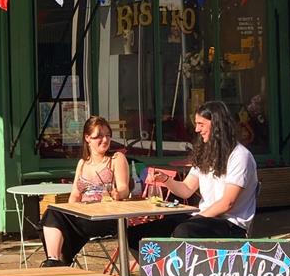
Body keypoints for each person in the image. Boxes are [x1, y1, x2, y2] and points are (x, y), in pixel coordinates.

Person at [128, 101, 259, 249]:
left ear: (216, 124)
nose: (197, 129)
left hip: (231, 224)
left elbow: (227, 203)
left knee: (183, 231)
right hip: (204, 218)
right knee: (137, 234)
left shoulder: (240, 156)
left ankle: (178, 269)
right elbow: (186, 189)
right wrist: (166, 179)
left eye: (201, 124)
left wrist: (195, 218)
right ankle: (156, 271)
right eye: (196, 124)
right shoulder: (206, 154)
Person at [39, 116, 131, 267]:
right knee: (53, 213)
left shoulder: (116, 158)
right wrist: (71, 209)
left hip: (105, 217)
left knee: (55, 219)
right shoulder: (82, 163)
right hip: (83, 216)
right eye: (99, 136)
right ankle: (54, 260)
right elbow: (75, 193)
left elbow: (124, 189)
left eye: (108, 135)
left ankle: (59, 262)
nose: (105, 140)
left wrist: (117, 194)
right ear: (87, 138)